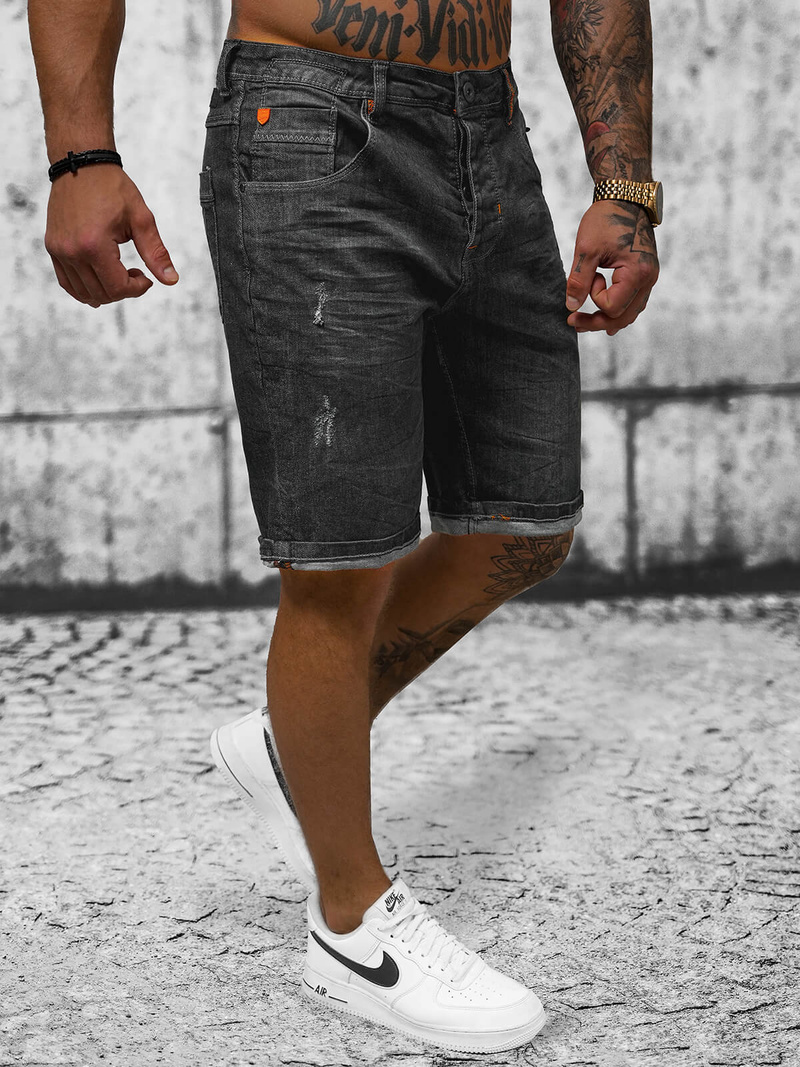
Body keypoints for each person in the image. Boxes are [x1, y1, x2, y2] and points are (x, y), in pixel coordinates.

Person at [29, 0, 661, 1053]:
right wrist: (79, 155)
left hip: (485, 127)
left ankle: (295, 745)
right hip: (309, 119)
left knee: (526, 519)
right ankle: (351, 925)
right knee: (339, 561)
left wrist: (625, 187)